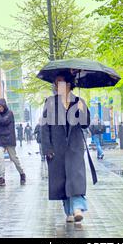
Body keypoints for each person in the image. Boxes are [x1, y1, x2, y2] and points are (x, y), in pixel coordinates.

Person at [41, 73, 90, 225]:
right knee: (62, 180)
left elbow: (85, 123)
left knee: (76, 177)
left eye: (60, 82)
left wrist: (82, 109)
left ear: (69, 84)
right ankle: (69, 211)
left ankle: (77, 209)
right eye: (56, 83)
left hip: (75, 147)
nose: (57, 86)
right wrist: (47, 148)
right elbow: (44, 128)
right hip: (57, 148)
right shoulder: (50, 103)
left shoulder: (79, 101)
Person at [0, 99, 25, 186]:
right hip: (0, 139)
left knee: (14, 158)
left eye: (0, 106)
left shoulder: (9, 113)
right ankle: (2, 178)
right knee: (0, 158)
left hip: (9, 139)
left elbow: (4, 121)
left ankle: (22, 173)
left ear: (4, 105)